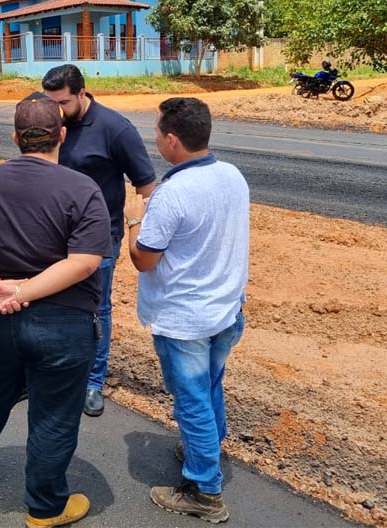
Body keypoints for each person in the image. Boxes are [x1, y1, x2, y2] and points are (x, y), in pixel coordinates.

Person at [0, 93, 112, 528]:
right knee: (54, 416)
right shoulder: (81, 189)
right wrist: (23, 291)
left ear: (15, 137)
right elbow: (85, 262)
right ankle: (45, 508)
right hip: (62, 324)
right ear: (62, 136)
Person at [125, 97, 248, 524]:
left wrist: (133, 220)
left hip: (186, 319)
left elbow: (144, 259)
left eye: (157, 130)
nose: (154, 137)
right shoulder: (231, 174)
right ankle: (208, 445)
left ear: (172, 140)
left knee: (191, 401)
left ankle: (204, 491)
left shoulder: (172, 193)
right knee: (212, 385)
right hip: (225, 310)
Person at [41, 64, 156, 417]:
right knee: (54, 302)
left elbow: (147, 187)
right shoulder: (54, 122)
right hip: (54, 235)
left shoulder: (115, 129)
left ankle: (93, 381)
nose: (56, 110)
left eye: (62, 102)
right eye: (51, 102)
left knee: (96, 309)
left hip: (99, 238)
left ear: (82, 93)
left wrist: (139, 229)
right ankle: (56, 372)